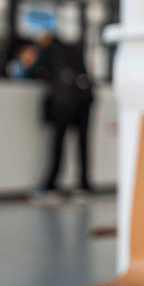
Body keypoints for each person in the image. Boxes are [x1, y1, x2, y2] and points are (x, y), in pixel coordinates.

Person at [29, 32, 95, 203]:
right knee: (83, 143)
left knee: (58, 143)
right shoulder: (73, 48)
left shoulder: (48, 50)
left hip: (64, 101)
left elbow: (35, 70)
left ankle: (51, 184)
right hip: (85, 99)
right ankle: (84, 185)